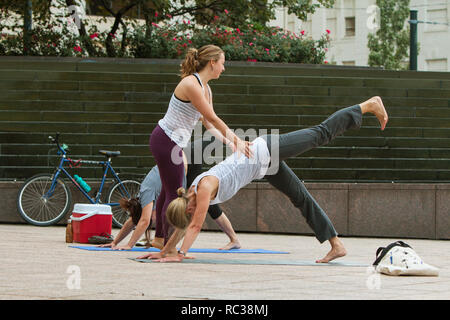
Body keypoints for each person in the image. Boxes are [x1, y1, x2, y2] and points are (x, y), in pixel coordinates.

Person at [137, 96, 388, 263]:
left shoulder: (202, 189)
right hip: (263, 167)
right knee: (300, 196)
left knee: (319, 134)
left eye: (190, 212)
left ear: (189, 207)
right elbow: (186, 223)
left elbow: (192, 226)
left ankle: (366, 106)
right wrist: (164, 251)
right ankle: (336, 244)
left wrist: (178, 254)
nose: (193, 214)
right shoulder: (190, 195)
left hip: (265, 150)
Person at [149, 44, 252, 245]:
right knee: (175, 192)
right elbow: (212, 117)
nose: (224, 68)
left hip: (171, 142)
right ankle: (167, 243)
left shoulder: (206, 89)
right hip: (165, 140)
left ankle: (160, 239)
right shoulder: (191, 85)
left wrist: (230, 143)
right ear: (212, 63)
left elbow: (207, 124)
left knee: (167, 190)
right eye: (222, 63)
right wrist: (237, 140)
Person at [98, 146, 241, 251]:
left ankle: (234, 240)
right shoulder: (142, 201)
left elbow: (143, 221)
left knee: (201, 204)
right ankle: (234, 240)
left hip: (187, 162)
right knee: (203, 204)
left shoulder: (146, 193)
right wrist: (115, 242)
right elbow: (134, 220)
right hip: (181, 159)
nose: (153, 222)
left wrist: (129, 245)